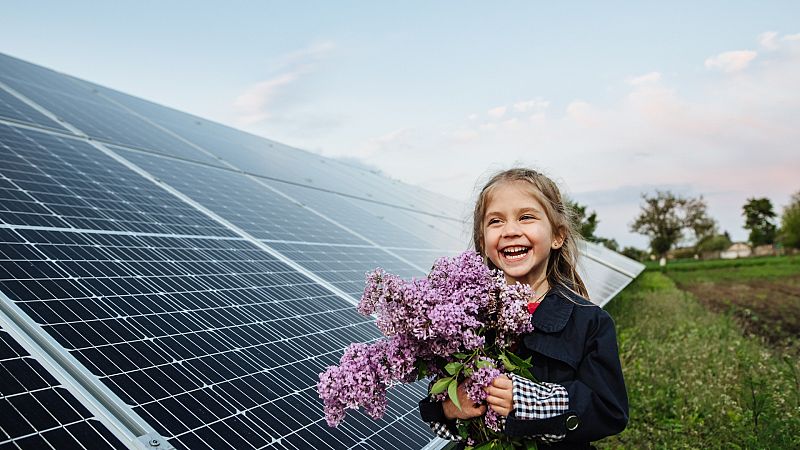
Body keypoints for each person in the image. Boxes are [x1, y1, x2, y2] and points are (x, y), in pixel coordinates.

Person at [418, 168, 628, 449]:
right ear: (482, 241)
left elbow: (609, 410)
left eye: (526, 217)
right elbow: (438, 398)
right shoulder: (465, 315)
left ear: (558, 236)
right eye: (495, 221)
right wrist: (449, 407)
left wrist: (527, 400)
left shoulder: (590, 321)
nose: (511, 231)